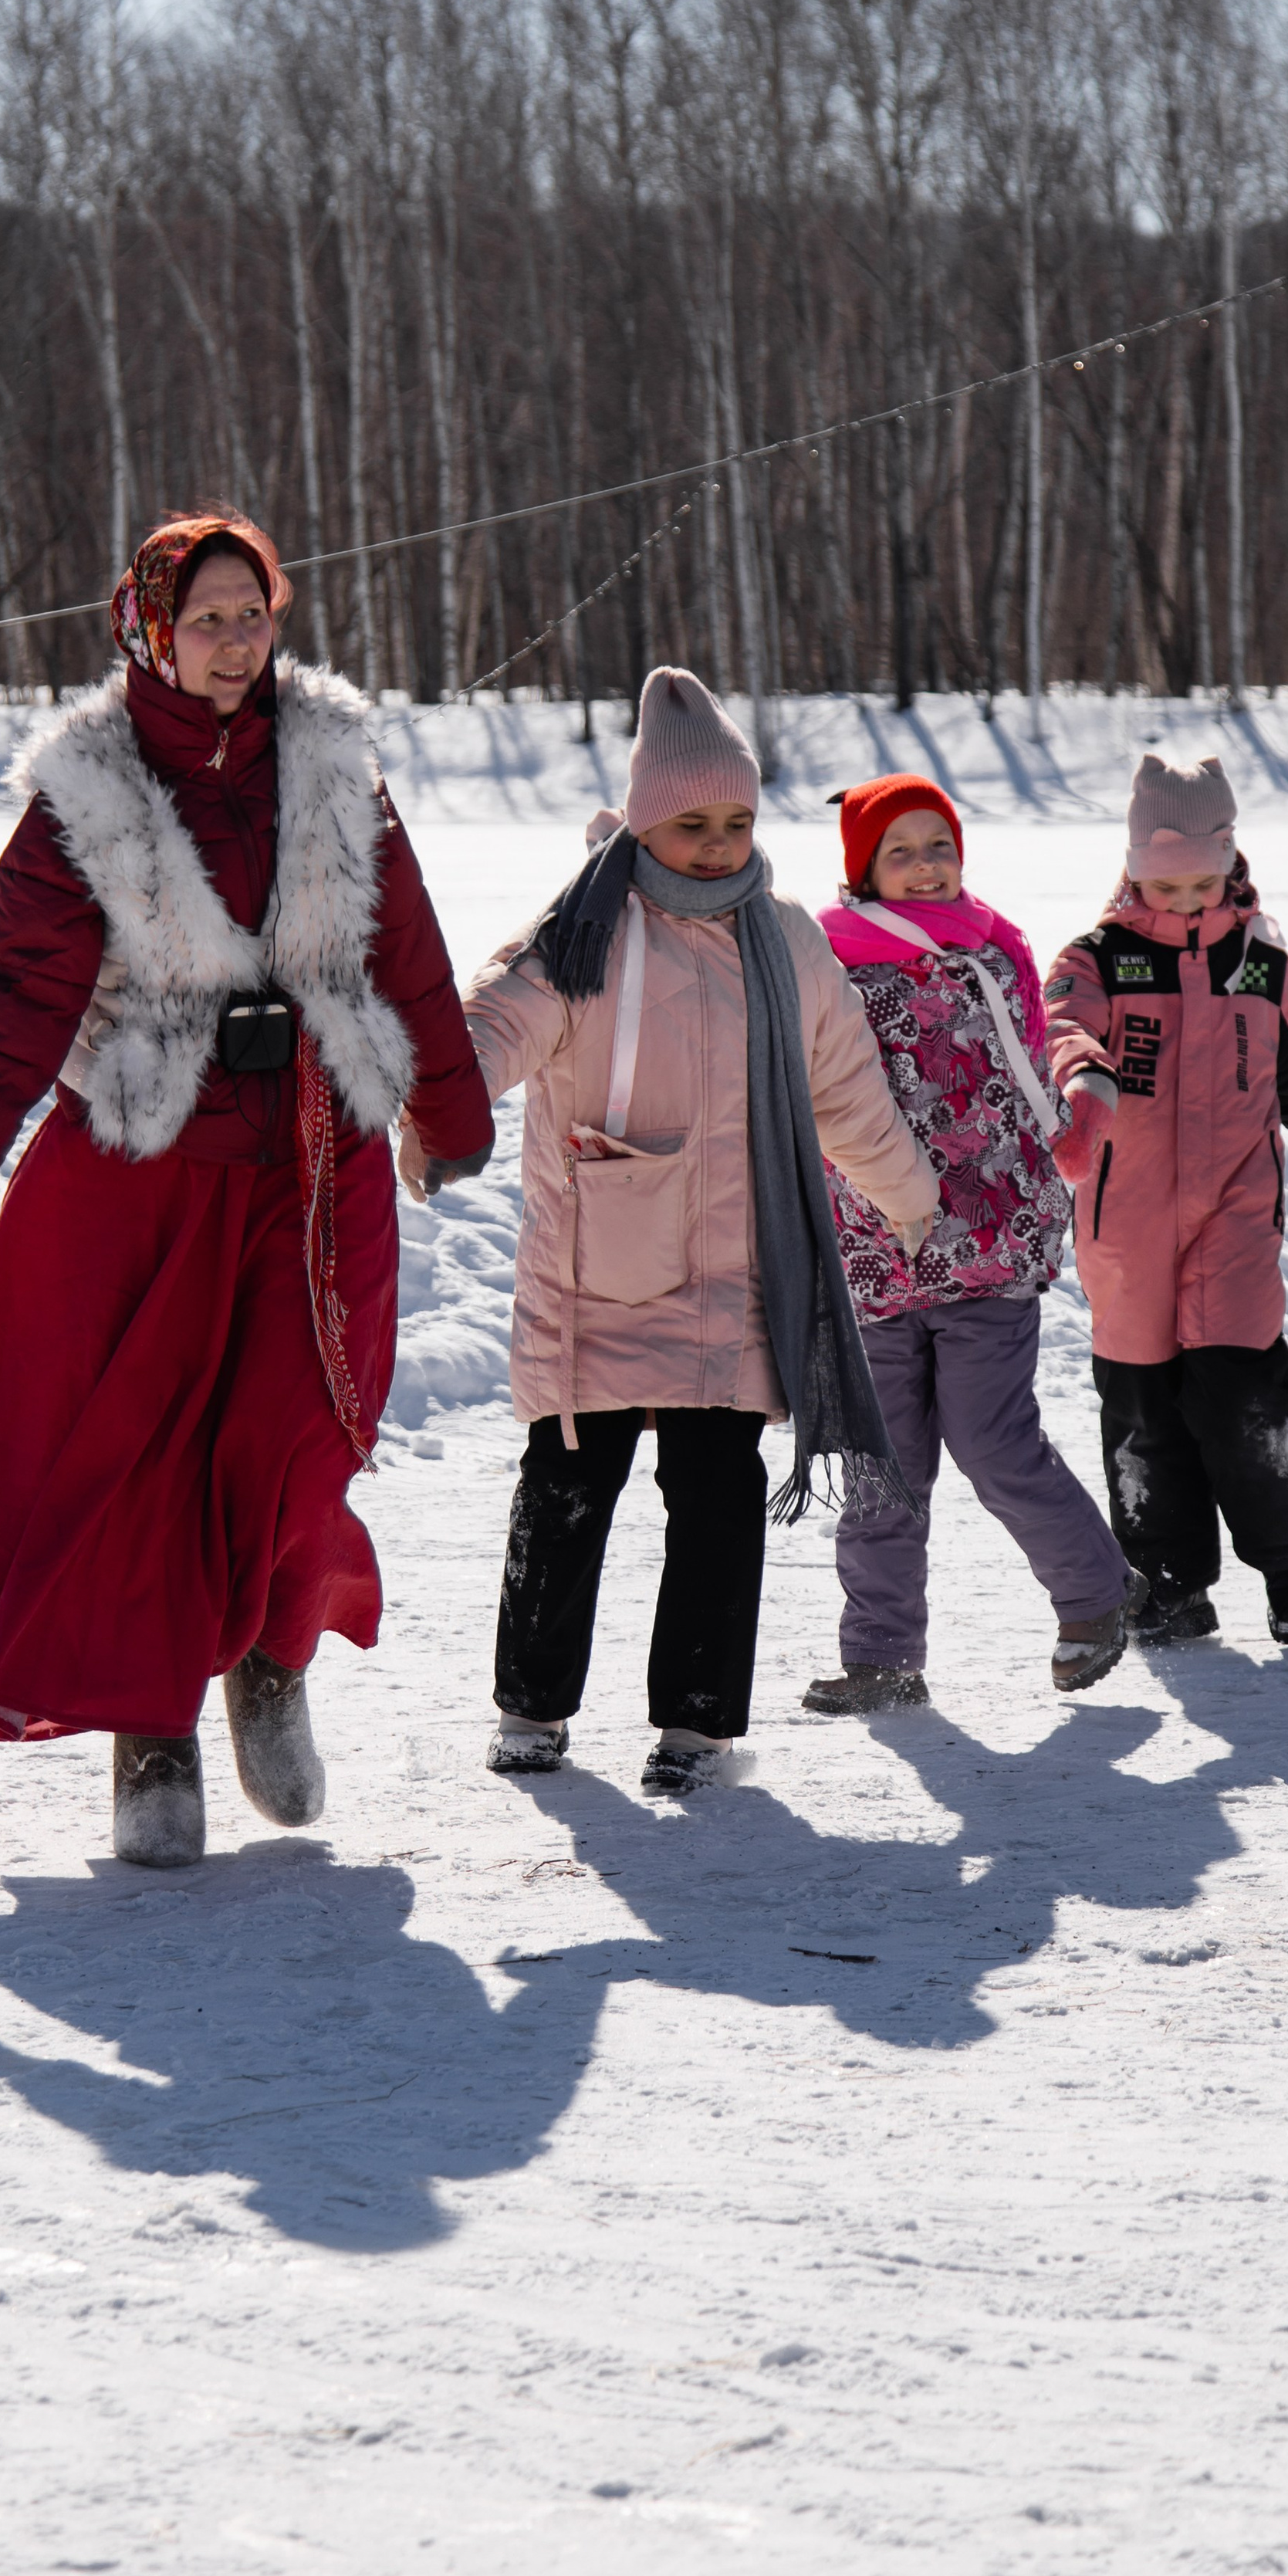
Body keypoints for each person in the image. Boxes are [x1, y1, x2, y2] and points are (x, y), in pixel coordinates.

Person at [0, 510, 494, 1866]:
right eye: (204, 618)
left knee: (294, 1437)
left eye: (250, 615)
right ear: (149, 627)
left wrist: (450, 1107)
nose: (231, 643)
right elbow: (12, 1005)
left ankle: (271, 1663)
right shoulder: (84, 793)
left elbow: (410, 950)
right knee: (143, 1458)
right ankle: (149, 1733)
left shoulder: (335, 764)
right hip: (141, 1171)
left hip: (314, 1169)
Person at [403, 668, 938, 1794]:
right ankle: (533, 1706)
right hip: (594, 1263)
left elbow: (843, 1084)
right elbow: (492, 1026)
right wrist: (436, 1120)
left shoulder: (784, 939)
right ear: (646, 819)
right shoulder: (584, 930)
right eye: (691, 824)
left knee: (717, 1491)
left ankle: (696, 1721)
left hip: (737, 1268)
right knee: (566, 1486)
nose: (716, 845)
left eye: (737, 822)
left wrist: (908, 1194)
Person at [805, 773, 1136, 1715]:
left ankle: (1093, 1595)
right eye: (899, 852)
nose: (923, 867)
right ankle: (880, 1660)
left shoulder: (993, 952)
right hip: (872, 1250)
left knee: (992, 1441)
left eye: (938, 846)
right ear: (862, 867)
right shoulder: (825, 963)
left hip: (989, 1240)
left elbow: (1036, 1062)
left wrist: (1078, 1107)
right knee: (882, 1468)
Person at [1043, 751, 1288, 1649]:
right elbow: (1059, 1027)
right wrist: (1081, 1078)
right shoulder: (1097, 956)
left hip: (1233, 1203)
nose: (1185, 900)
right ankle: (1170, 1583)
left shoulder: (1259, 962)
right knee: (1141, 1403)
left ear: (1229, 863)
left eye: (1201, 882)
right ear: (1135, 869)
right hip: (1125, 1214)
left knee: (1243, 1387)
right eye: (1165, 883)